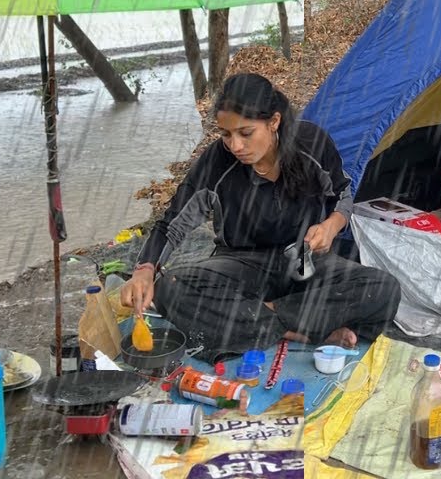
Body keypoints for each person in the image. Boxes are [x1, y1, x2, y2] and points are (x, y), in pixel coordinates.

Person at [119, 73, 402, 357]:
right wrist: (144, 269)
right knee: (170, 288)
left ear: (274, 122)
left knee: (383, 289)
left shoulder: (311, 144)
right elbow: (172, 224)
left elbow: (342, 194)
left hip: (302, 259)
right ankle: (302, 329)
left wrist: (331, 225)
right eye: (226, 134)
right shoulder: (216, 163)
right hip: (240, 263)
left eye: (245, 133)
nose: (235, 146)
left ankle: (257, 318)